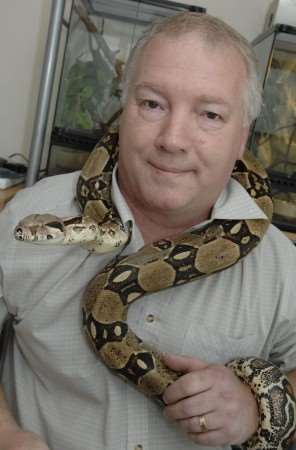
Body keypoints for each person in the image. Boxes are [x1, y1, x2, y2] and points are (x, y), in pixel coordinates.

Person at [0, 11, 296, 450]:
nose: (173, 139)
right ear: (124, 112)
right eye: (152, 104)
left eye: (210, 115)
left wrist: (259, 405)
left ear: (241, 140)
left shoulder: (282, 266)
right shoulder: (30, 217)